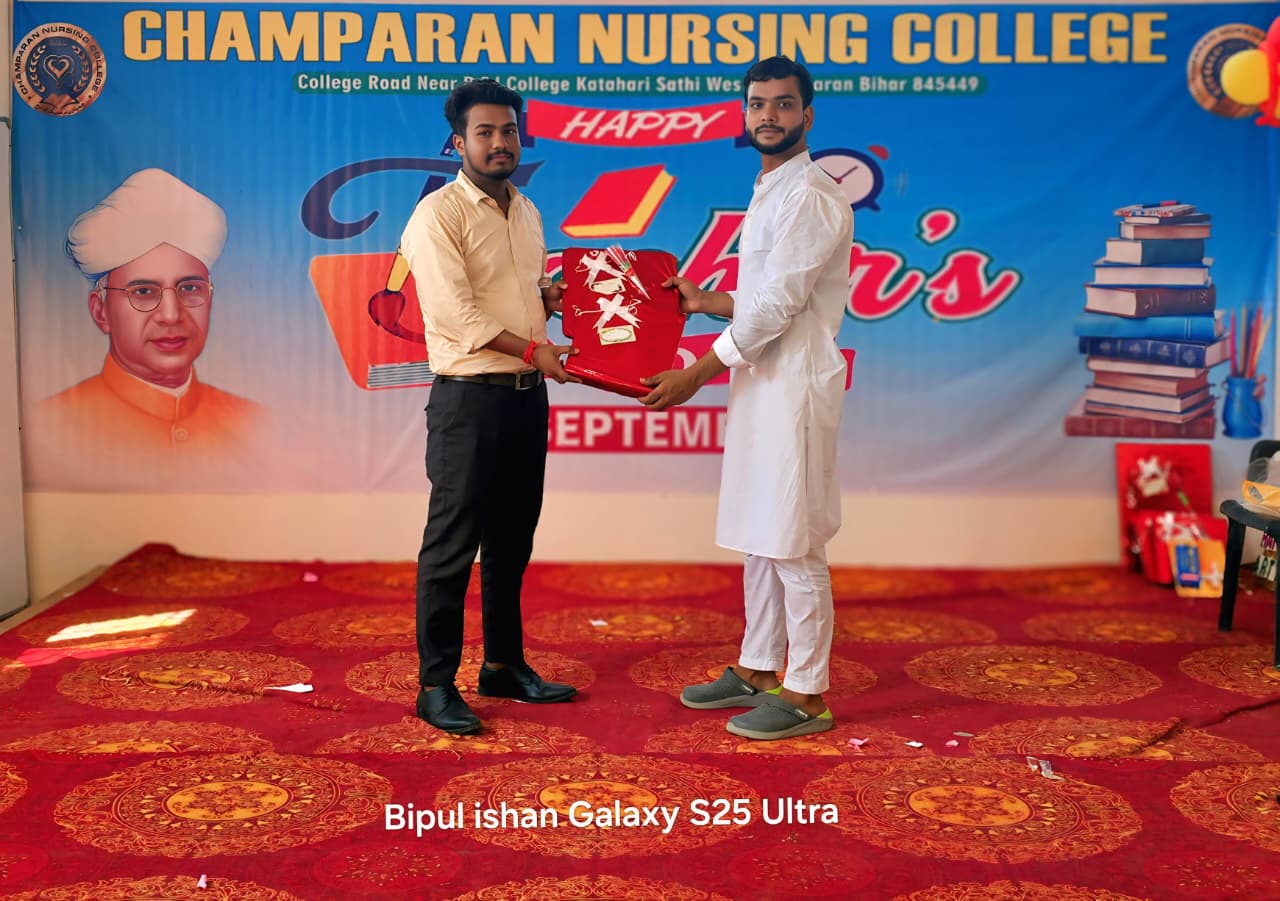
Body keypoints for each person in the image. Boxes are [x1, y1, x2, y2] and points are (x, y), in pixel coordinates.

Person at [640, 56, 853, 741]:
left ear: (806, 115)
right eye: (758, 103)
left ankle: (807, 691)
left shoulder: (811, 195)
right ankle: (759, 667)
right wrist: (706, 301)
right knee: (763, 533)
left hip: (794, 389)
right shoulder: (771, 187)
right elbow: (764, 298)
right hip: (762, 382)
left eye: (783, 104)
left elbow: (778, 309)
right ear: (744, 113)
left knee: (794, 539)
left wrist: (697, 372)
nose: (768, 115)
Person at [400, 78, 580, 735]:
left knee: (511, 542)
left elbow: (523, 292)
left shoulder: (526, 211)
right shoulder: (437, 216)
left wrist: (549, 300)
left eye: (508, 130)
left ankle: (503, 664)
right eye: (485, 132)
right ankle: (435, 684)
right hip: (468, 401)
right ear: (458, 143)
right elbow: (459, 316)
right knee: (451, 546)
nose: (500, 142)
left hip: (526, 399)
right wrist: (535, 349)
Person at [34, 169, 261, 467]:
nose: (171, 315)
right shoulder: (50, 428)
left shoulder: (254, 425)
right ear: (101, 311)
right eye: (143, 291)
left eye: (189, 288)